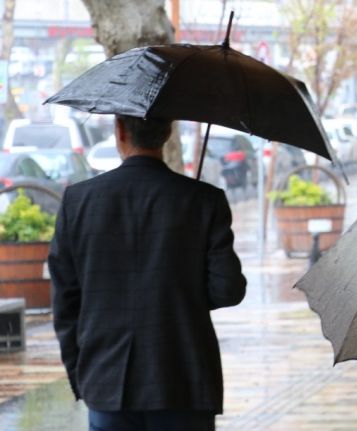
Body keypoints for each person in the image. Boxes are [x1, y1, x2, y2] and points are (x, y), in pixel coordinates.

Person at [49, 115, 247, 431]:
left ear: (120, 131)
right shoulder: (203, 200)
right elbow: (228, 290)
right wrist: (180, 290)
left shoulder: (78, 201)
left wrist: (82, 375)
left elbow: (64, 303)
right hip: (184, 379)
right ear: (168, 132)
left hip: (107, 382)